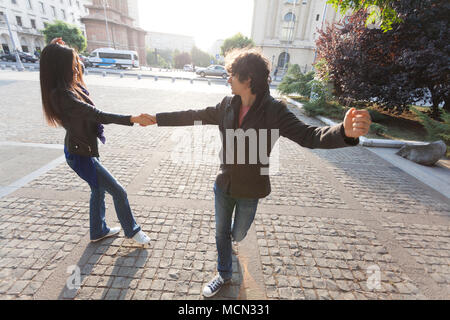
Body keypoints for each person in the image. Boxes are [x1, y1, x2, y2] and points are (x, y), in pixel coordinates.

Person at [144, 48, 371, 297]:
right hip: (224, 184)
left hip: (250, 190)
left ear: (248, 79)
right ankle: (224, 273)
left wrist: (344, 133)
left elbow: (309, 135)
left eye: (232, 75)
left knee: (237, 233)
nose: (228, 79)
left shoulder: (274, 111)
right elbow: (194, 115)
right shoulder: (227, 105)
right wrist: (156, 118)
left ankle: (228, 246)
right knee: (221, 232)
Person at [39, 38, 153, 245]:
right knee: (118, 191)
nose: (76, 68)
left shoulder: (65, 86)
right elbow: (97, 114)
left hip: (82, 150)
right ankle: (133, 230)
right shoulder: (63, 95)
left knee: (98, 190)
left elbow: (80, 68)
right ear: (60, 68)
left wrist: (59, 49)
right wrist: (132, 119)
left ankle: (98, 230)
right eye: (71, 64)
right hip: (80, 155)